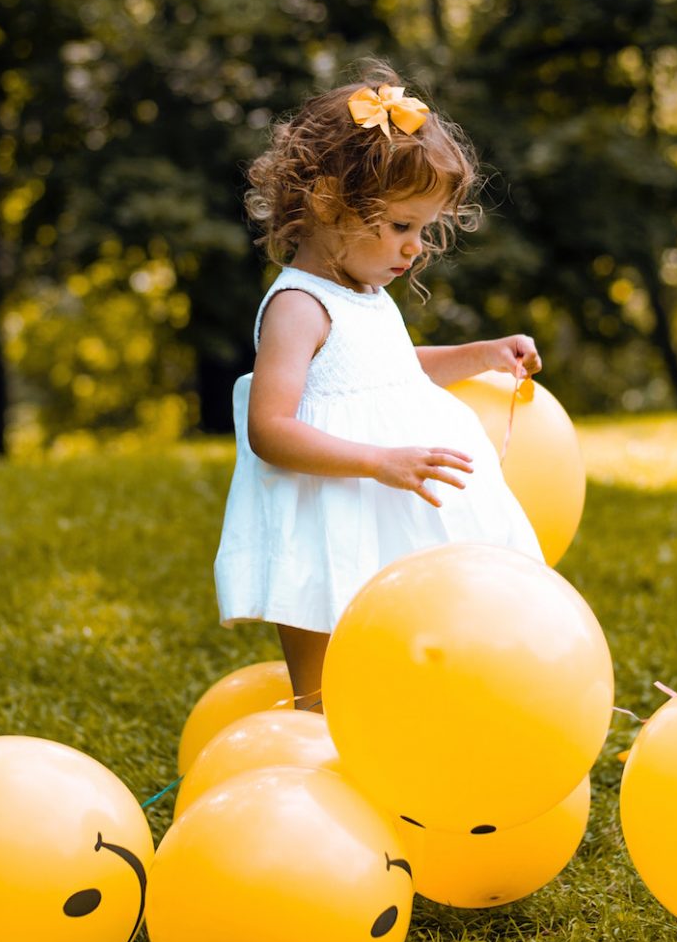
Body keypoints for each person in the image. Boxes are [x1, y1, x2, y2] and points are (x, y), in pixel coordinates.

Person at [214, 60, 544, 710]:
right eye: (400, 226)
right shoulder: (298, 305)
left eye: (421, 230)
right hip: (329, 514)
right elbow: (270, 429)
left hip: (387, 508)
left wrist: (479, 354)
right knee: (326, 687)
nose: (415, 247)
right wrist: (377, 461)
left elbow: (387, 374)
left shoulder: (363, 294)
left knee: (404, 665)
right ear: (329, 204)